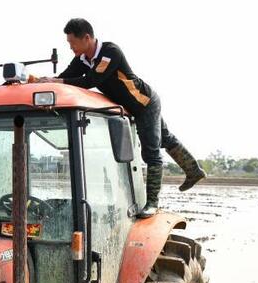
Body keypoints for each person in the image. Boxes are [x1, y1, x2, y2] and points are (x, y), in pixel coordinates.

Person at [39, 18, 206, 217]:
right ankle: (194, 171)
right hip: (131, 106)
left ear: (87, 37)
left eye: (73, 42)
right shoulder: (82, 60)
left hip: (144, 103)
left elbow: (90, 81)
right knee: (166, 138)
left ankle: (152, 202)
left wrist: (58, 80)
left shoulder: (110, 52)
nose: (71, 47)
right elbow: (66, 79)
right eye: (68, 43)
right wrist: (45, 83)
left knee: (151, 151)